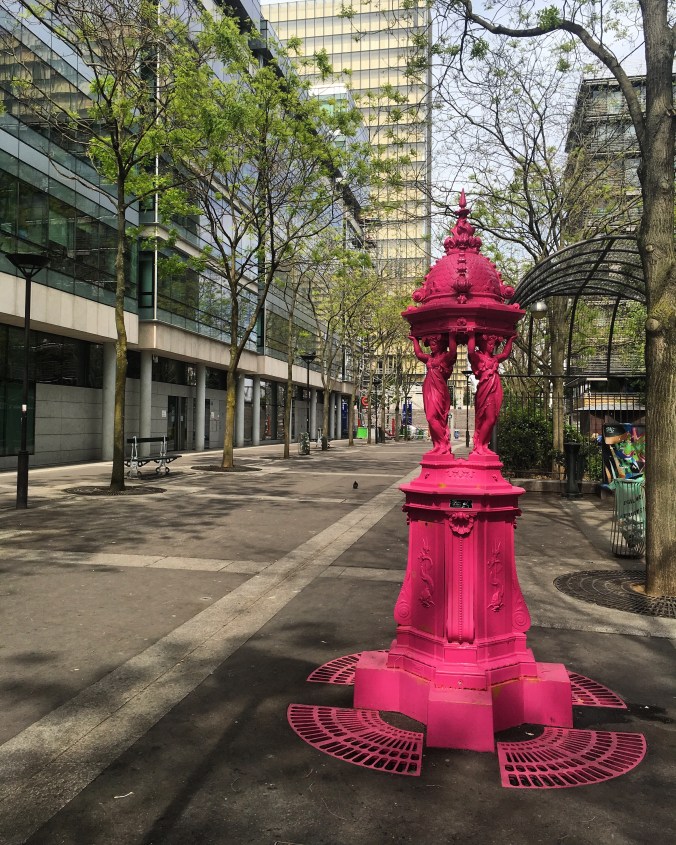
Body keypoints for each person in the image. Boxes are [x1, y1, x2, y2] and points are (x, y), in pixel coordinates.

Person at [410, 333, 457, 455]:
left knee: (433, 417)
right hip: (428, 388)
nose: (432, 347)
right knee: (430, 417)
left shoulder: (445, 357)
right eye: (431, 345)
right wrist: (415, 340)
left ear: (440, 344)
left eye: (434, 344)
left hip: (438, 389)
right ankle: (437, 444)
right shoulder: (430, 359)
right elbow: (419, 354)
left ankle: (443, 444)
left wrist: (452, 335)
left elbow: (452, 351)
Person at [467, 332, 514, 456]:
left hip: (495, 387)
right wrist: (471, 335)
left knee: (492, 419)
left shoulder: (494, 359)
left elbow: (505, 354)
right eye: (490, 344)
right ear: (483, 344)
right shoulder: (478, 356)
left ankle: (483, 445)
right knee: (488, 418)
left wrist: (510, 339)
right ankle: (479, 445)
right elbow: (471, 351)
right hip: (485, 388)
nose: (492, 346)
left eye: (493, 344)